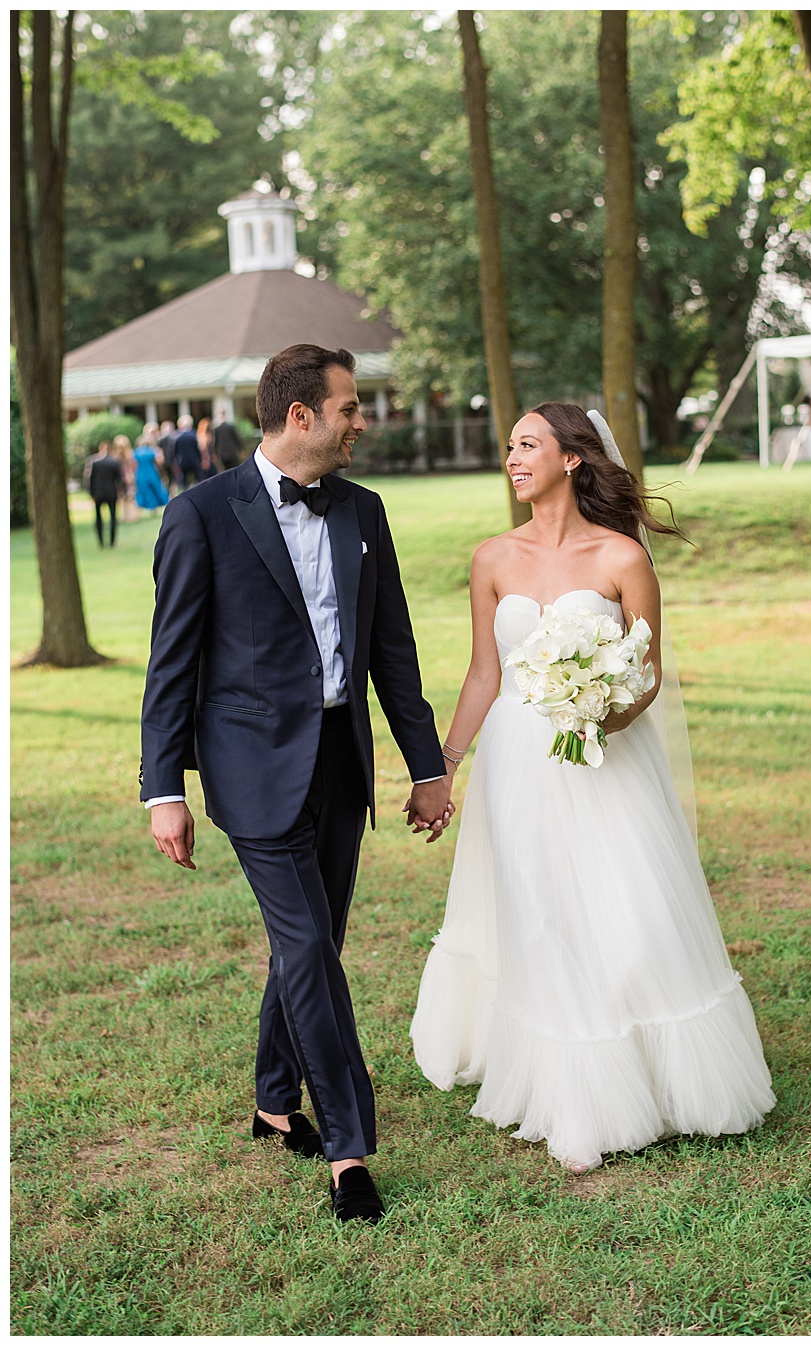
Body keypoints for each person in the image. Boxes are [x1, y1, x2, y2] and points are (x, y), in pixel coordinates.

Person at [411, 401, 774, 1172]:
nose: (512, 458)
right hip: (515, 760)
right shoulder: (491, 559)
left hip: (602, 755)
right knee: (538, 914)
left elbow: (646, 675)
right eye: (508, 446)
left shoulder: (621, 560)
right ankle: (571, 1090)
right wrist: (442, 767)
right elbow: (485, 673)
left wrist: (599, 715)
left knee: (627, 906)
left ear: (573, 459)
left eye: (529, 445)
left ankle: (660, 1070)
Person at [141, 344, 453, 1225]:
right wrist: (164, 788)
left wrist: (426, 767)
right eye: (352, 408)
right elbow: (170, 667)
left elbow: (392, 649)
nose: (364, 422)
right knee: (311, 949)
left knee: (313, 942)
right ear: (303, 416)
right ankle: (349, 1148)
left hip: (340, 762)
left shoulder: (365, 511)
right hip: (250, 767)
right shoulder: (200, 515)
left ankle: (275, 1102)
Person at [83, 438, 125, 547]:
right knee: (113, 517)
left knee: (98, 517)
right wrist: (122, 492)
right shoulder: (114, 462)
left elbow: (89, 479)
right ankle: (112, 541)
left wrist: (91, 493)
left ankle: (101, 541)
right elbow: (119, 479)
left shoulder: (94, 462)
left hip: (98, 493)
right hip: (111, 492)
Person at [132, 429, 170, 513]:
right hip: (151, 472)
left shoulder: (135, 453)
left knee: (145, 490)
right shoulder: (151, 451)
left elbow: (133, 464)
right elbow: (159, 461)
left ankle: (149, 507)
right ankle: (162, 503)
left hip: (140, 474)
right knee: (156, 488)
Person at [168, 415, 203, 492]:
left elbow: (173, 451)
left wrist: (173, 463)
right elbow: (199, 448)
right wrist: (201, 459)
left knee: (184, 483)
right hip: (194, 460)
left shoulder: (176, 436)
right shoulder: (194, 434)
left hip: (182, 461)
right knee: (198, 480)